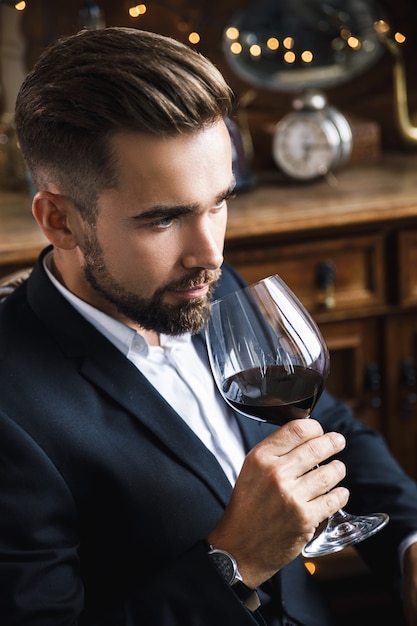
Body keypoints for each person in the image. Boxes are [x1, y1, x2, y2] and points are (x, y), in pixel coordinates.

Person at [0, 26, 416, 626]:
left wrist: (408, 545)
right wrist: (235, 561)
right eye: (163, 219)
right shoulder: (11, 413)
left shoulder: (193, 283)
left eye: (219, 202)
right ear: (60, 221)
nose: (211, 254)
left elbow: (325, 429)